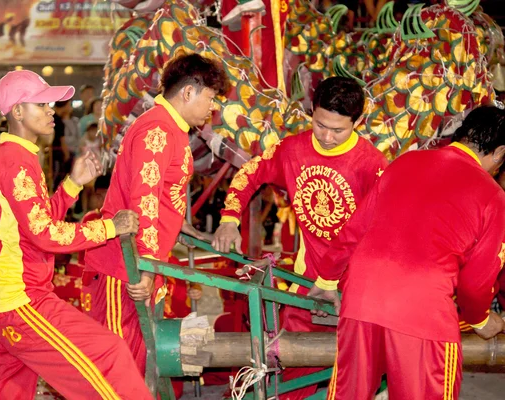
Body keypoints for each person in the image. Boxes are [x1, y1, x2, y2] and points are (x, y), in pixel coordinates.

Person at [0, 69, 152, 399]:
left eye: (51, 104)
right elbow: (45, 234)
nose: (51, 110)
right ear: (17, 111)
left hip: (9, 296)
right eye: (41, 104)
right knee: (107, 356)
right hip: (21, 300)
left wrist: (72, 185)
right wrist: (111, 226)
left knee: (13, 390)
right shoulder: (15, 161)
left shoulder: (17, 156)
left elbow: (33, 227)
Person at [309, 105, 505, 400]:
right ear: (500, 152)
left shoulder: (406, 161)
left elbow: (354, 231)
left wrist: (326, 280)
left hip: (361, 303)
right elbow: (475, 285)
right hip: (423, 315)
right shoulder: (492, 195)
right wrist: (481, 320)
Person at [212, 76, 388, 398]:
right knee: (288, 362)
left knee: (358, 371)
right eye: (321, 125)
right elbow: (250, 173)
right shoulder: (292, 150)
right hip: (308, 282)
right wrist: (228, 219)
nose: (328, 137)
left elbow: (373, 234)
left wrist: (334, 283)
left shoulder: (372, 166)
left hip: (358, 284)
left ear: (358, 122)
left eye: (339, 130)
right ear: (311, 112)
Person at [82, 53, 230, 374]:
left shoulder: (171, 128)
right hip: (124, 266)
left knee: (136, 361)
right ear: (188, 93)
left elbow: (161, 194)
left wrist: (178, 224)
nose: (213, 106)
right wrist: (146, 266)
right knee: (115, 367)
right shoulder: (158, 131)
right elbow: (143, 202)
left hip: (139, 260)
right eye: (210, 97)